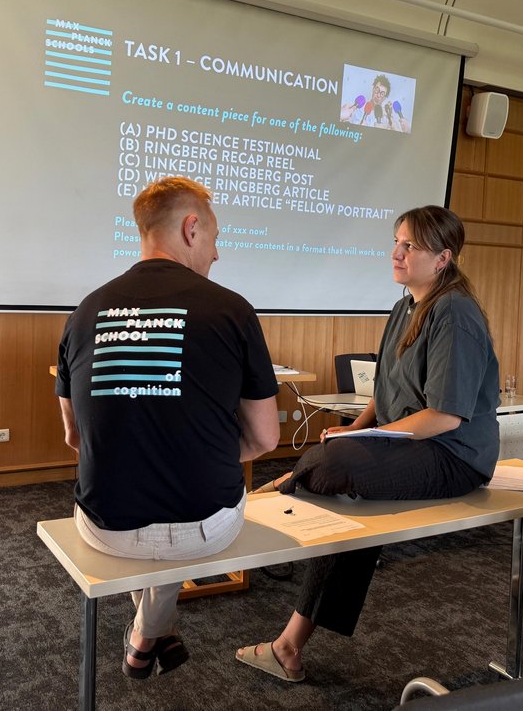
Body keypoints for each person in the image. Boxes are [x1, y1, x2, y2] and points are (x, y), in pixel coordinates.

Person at [235, 205, 499, 682]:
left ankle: (275, 492)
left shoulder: (455, 313)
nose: (396, 253)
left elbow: (445, 415)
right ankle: (288, 648)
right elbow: (384, 392)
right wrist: (356, 429)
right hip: (409, 447)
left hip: (455, 456)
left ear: (443, 258)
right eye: (396, 241)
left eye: (410, 246)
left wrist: (366, 442)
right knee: (342, 478)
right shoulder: (404, 307)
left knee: (333, 465)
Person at [57, 176, 279, 680]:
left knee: (150, 514)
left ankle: (159, 632)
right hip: (203, 529)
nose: (217, 255)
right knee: (175, 531)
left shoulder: (84, 311)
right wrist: (202, 455)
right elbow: (266, 439)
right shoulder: (233, 310)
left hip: (103, 525)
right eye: (216, 238)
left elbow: (75, 438)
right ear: (191, 228)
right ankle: (146, 635)